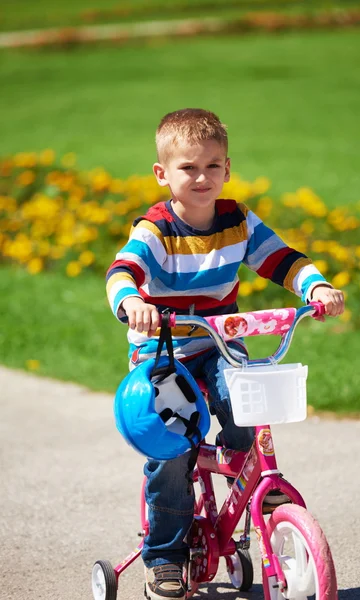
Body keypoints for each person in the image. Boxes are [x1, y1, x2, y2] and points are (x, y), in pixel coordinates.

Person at [106, 108, 345, 600]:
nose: (201, 177)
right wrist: (132, 301)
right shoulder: (156, 229)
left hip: (218, 341)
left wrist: (315, 286)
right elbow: (122, 271)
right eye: (188, 167)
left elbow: (282, 259)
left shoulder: (238, 221)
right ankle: (166, 557)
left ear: (227, 170)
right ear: (163, 174)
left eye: (213, 166)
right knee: (172, 454)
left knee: (248, 403)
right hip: (163, 350)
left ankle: (252, 484)